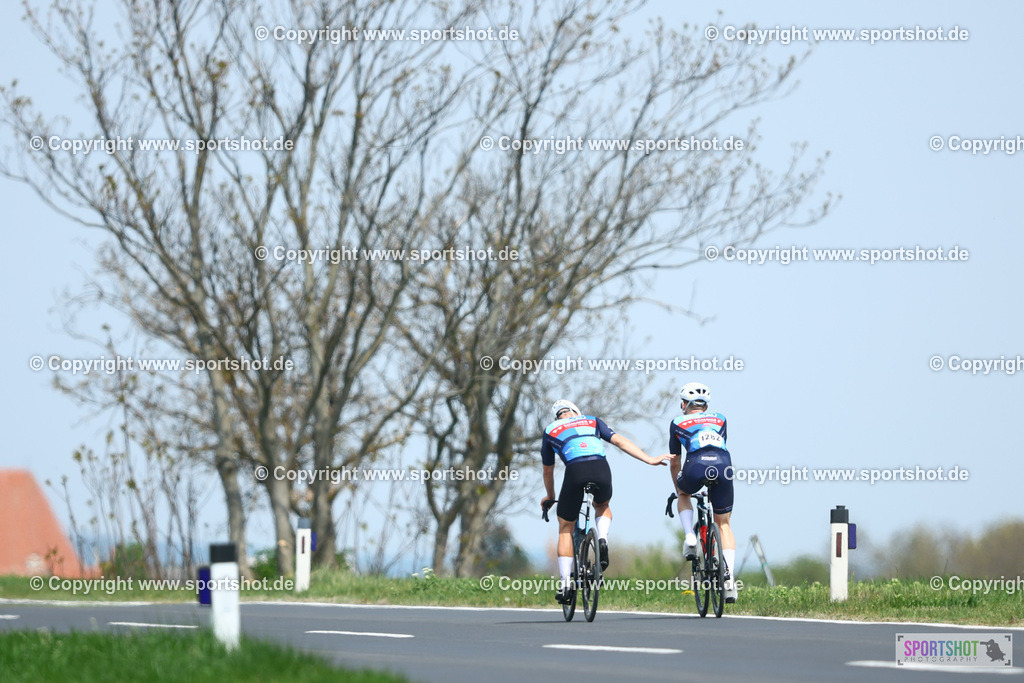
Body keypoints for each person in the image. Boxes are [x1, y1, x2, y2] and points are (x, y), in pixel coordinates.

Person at [541, 399, 673, 605]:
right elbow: (619, 441)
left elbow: (547, 471)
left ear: (557, 417)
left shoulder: (550, 430)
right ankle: (602, 539)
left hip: (575, 471)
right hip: (600, 468)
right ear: (576, 412)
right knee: (602, 505)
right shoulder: (592, 420)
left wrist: (550, 496)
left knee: (566, 527)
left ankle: (565, 584)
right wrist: (649, 459)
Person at [668, 382, 738, 603]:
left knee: (683, 494)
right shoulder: (721, 419)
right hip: (723, 466)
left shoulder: (677, 422)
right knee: (724, 523)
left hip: (695, 466)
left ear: (683, 404)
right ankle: (729, 580)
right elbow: (720, 447)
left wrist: (679, 489)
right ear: (706, 406)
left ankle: (690, 537)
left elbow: (674, 462)